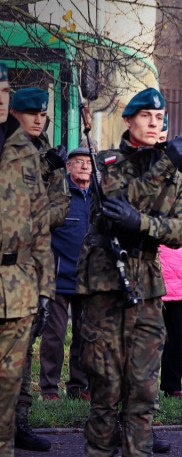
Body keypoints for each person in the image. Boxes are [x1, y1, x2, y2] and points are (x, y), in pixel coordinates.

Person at [79, 87, 182, 457]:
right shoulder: (106, 161)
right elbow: (117, 205)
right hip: (107, 288)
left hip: (146, 287)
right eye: (145, 115)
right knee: (107, 388)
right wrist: (164, 165)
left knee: (144, 391)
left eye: (160, 116)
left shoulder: (175, 174)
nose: (154, 123)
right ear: (128, 120)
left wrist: (145, 225)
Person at [0, 68, 54, 457]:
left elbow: (39, 228)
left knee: (5, 392)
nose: (1, 100)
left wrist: (43, 287)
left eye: (3, 91)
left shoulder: (26, 152)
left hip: (16, 286)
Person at [9, 87, 67, 453]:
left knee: (25, 347)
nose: (37, 119)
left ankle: (20, 423)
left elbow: (60, 208)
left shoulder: (49, 154)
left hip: (33, 264)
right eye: (30, 113)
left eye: (42, 114)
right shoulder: (8, 150)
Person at [38, 145, 92, 403]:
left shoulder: (98, 197)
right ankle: (49, 387)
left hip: (89, 279)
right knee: (54, 335)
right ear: (68, 167)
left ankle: (79, 386)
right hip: (58, 277)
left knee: (84, 335)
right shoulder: (59, 194)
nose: (84, 166)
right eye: (78, 162)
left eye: (87, 162)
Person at [158, 239, 182, 399]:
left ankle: (173, 387)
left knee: (176, 340)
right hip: (159, 284)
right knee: (149, 342)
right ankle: (141, 391)